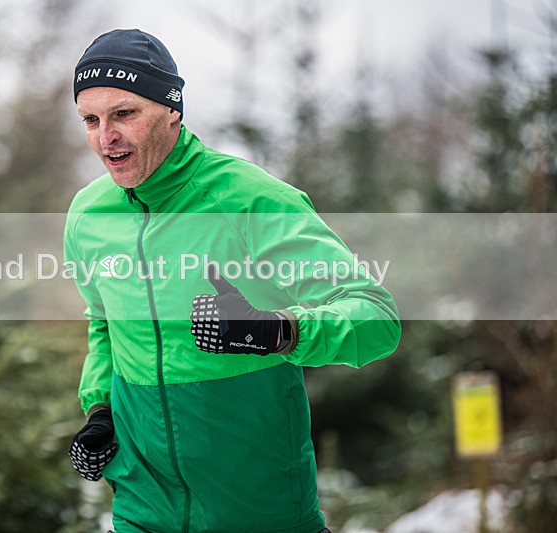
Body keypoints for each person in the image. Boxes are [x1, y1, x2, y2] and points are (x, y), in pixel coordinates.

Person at [65, 29, 401, 533]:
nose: (105, 136)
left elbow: (377, 316)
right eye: (90, 120)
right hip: (142, 509)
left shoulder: (250, 200)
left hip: (257, 509)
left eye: (124, 114)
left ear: (172, 109)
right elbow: (104, 327)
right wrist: (100, 411)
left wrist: (278, 330)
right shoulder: (88, 216)